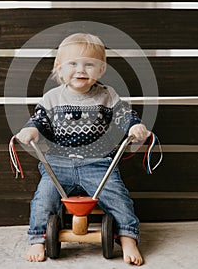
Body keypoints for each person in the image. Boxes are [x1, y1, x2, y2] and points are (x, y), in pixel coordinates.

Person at [16, 33, 150, 265]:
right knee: (43, 199)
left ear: (101, 70)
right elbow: (39, 121)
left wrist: (135, 126)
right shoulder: (52, 98)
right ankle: (38, 238)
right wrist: (31, 130)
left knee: (118, 196)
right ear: (59, 68)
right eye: (73, 64)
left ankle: (128, 237)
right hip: (58, 165)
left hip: (97, 165)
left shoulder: (107, 96)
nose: (81, 70)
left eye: (89, 64)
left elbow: (124, 115)